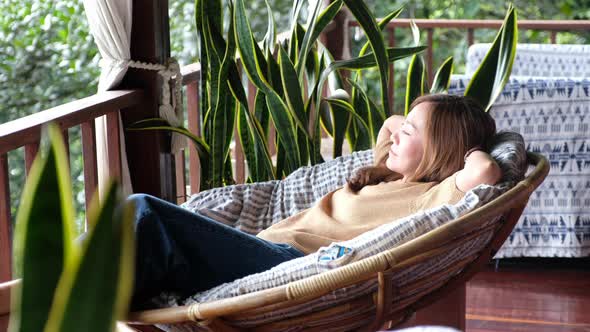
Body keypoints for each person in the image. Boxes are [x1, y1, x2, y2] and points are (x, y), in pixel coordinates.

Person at [129, 93, 502, 308]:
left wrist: (457, 146)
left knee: (145, 212)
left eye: (410, 133)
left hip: (287, 264)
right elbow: (390, 122)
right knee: (141, 229)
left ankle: (77, 297)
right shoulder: (389, 171)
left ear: (441, 149)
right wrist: (419, 123)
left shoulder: (432, 194)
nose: (397, 136)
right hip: (262, 248)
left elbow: (485, 173)